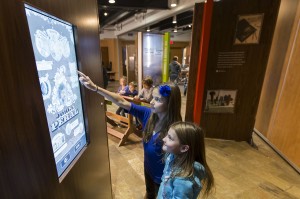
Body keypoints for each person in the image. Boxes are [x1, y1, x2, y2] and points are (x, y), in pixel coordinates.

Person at [77, 71, 182, 199]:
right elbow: (121, 101)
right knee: (149, 194)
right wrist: (96, 88)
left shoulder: (176, 130)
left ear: (170, 104)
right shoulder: (148, 114)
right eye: (153, 97)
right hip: (148, 168)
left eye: (158, 99)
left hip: (163, 179)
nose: (152, 102)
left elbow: (182, 160)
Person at [157, 122, 214, 199]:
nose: (164, 139)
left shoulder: (183, 179)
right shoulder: (172, 156)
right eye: (167, 135)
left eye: (170, 138)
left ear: (183, 148)